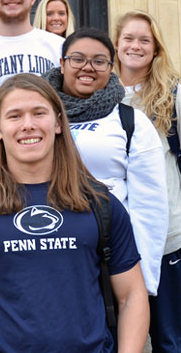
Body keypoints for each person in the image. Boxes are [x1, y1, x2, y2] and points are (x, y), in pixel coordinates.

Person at [0, 73, 149, 352]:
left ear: (58, 123)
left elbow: (132, 295)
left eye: (39, 113)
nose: (28, 125)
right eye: (14, 116)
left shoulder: (100, 204)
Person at [42, 27, 169, 296]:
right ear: (62, 64)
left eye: (99, 61)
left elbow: (150, 205)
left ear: (111, 67)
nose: (87, 67)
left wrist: (142, 281)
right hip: (45, 245)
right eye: (77, 59)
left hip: (109, 254)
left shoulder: (130, 121)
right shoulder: (38, 113)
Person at [114, 10, 181, 352]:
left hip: (166, 233)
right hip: (114, 236)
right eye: (129, 38)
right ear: (116, 43)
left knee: (169, 336)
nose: (136, 46)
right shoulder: (99, 94)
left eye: (145, 40)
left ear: (156, 49)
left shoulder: (172, 94)